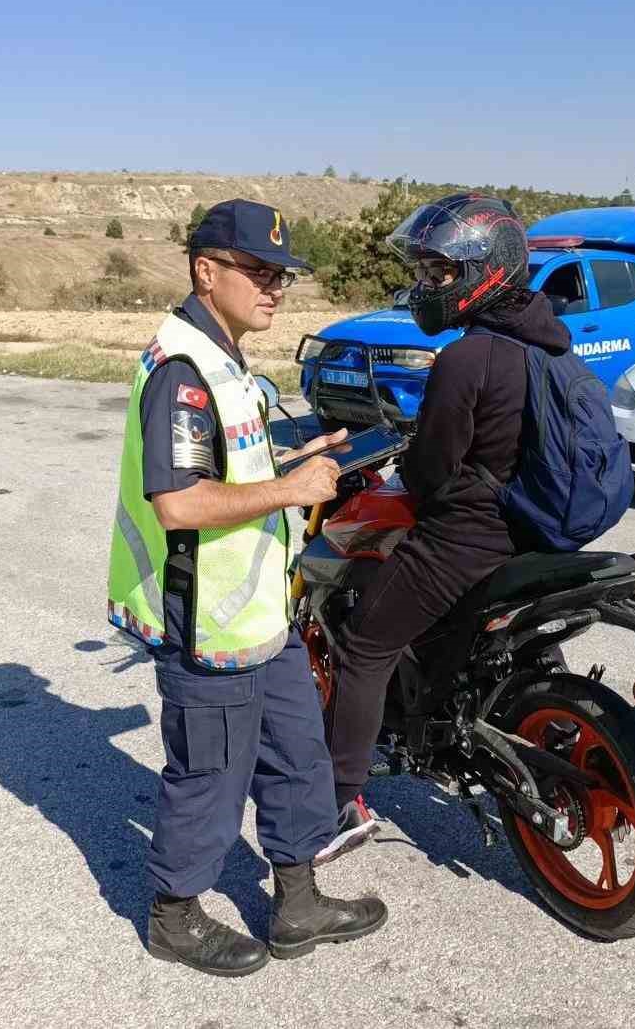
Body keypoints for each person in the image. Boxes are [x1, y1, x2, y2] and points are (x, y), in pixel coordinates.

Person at [106, 199, 388, 977]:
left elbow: (241, 452)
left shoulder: (226, 358)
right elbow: (181, 502)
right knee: (208, 777)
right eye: (259, 272)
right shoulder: (183, 371)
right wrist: (292, 492)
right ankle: (174, 916)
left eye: (281, 276)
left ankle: (297, 900)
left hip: (264, 615)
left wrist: (313, 448)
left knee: (299, 758)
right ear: (206, 270)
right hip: (206, 623)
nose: (275, 289)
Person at [317, 193, 572, 863]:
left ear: (483, 270)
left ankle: (337, 799)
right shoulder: (551, 345)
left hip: (469, 539)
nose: (428, 285)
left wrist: (410, 475)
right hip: (539, 531)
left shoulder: (469, 358)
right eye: (425, 271)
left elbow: (430, 474)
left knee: (366, 644)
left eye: (440, 272)